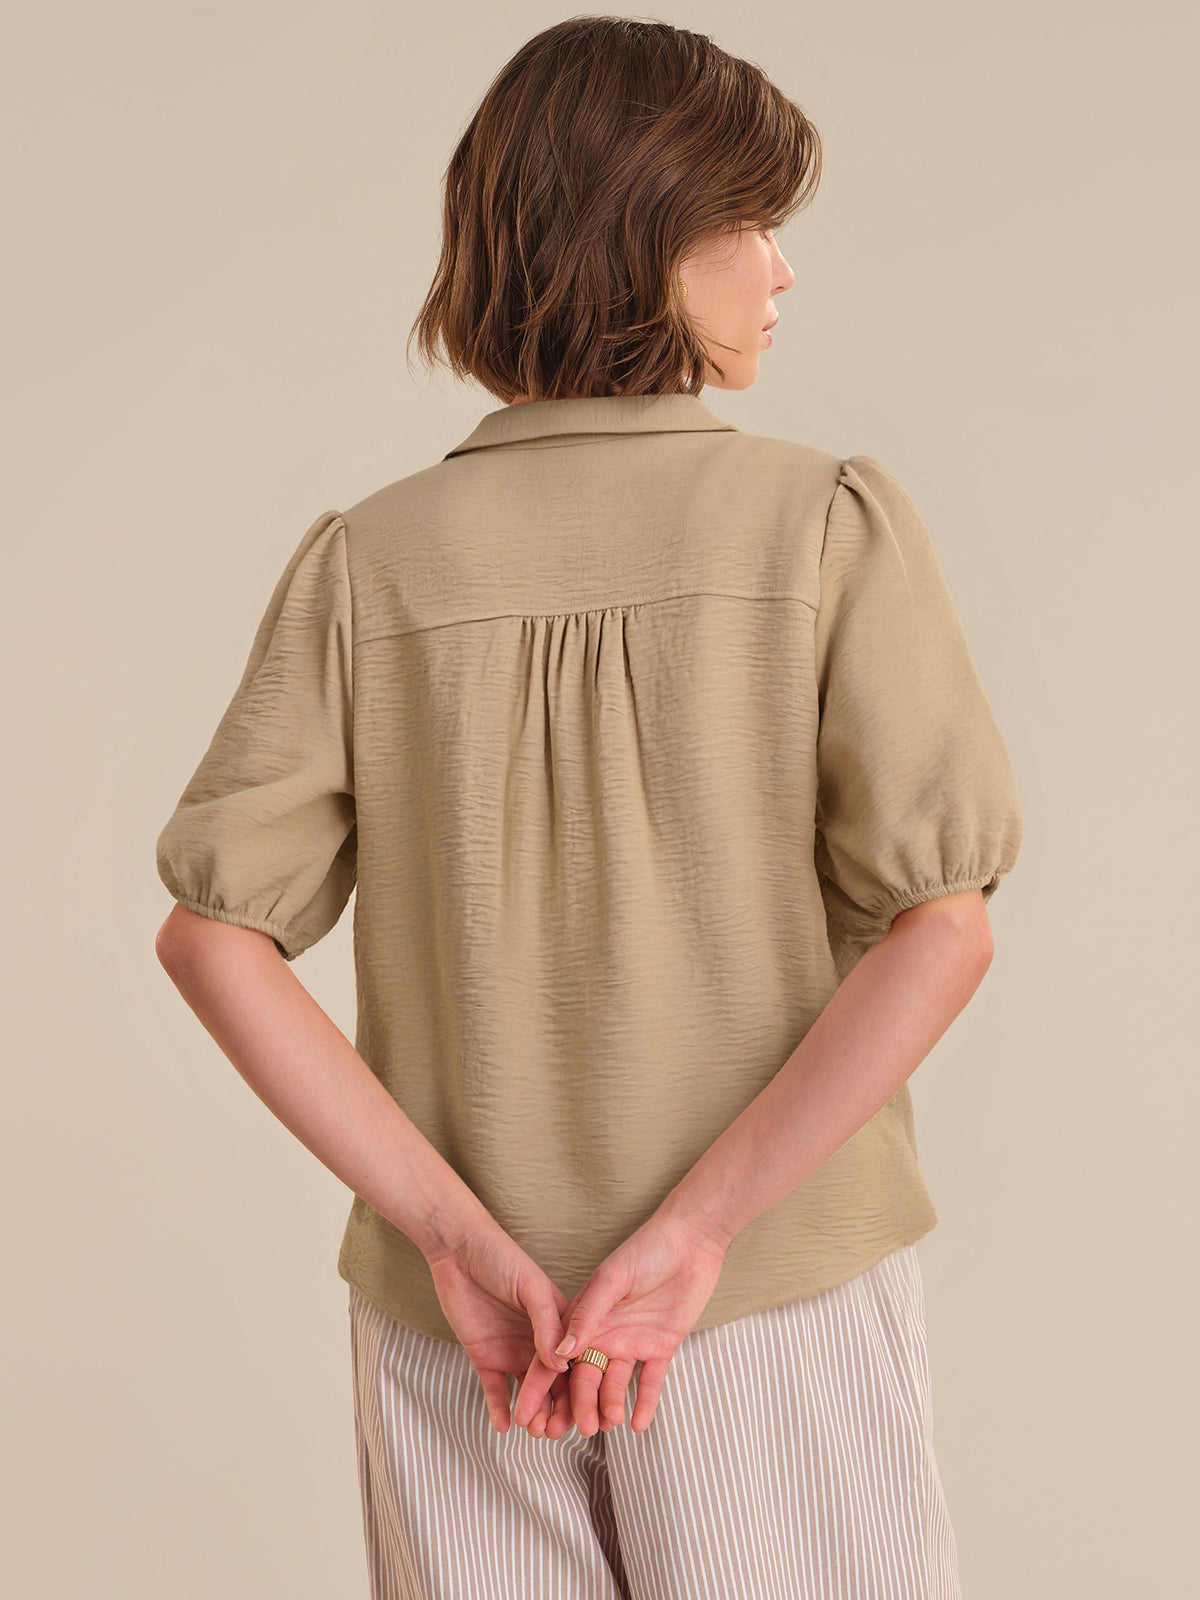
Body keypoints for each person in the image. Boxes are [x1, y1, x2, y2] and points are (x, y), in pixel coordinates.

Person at [154, 17, 1023, 1600]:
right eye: (750, 224)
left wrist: (452, 1234)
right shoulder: (822, 527)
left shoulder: (372, 561)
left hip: (466, 1338)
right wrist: (692, 1239)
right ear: (650, 237)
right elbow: (942, 931)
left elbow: (214, 938)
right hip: (771, 1295)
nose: (781, 271)